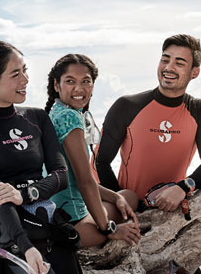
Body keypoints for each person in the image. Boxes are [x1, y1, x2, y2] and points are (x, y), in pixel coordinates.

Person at [0, 41, 82, 274]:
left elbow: (61, 175)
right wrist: (26, 248)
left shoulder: (37, 118)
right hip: (2, 227)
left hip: (41, 216)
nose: (25, 80)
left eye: (25, 70)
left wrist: (24, 194)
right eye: (16, 74)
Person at [95, 34, 201, 214]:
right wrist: (120, 201)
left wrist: (183, 187)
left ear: (195, 72)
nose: (169, 68)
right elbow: (100, 161)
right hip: (126, 207)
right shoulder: (127, 106)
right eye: (165, 60)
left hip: (172, 211)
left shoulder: (199, 110)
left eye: (179, 63)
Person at [45, 53, 141, 247]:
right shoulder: (69, 118)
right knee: (130, 199)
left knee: (124, 197)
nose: (79, 89)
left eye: (86, 81)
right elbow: (84, 180)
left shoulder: (55, 112)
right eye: (70, 81)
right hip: (72, 226)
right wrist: (110, 229)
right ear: (57, 85)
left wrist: (115, 197)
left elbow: (73, 181)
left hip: (56, 214)